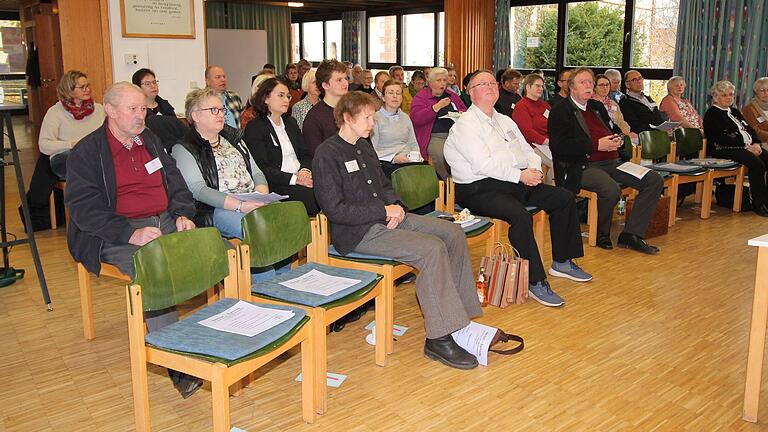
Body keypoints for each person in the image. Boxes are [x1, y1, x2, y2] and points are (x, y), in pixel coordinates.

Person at [313, 91, 483, 370]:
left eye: (372, 116)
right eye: (366, 117)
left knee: (451, 233)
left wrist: (396, 205)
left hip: (387, 217)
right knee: (431, 249)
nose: (372, 123)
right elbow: (335, 210)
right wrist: (382, 211)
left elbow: (384, 185)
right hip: (358, 233)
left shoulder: (364, 145)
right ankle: (438, 339)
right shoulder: (326, 154)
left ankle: (459, 318)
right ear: (346, 118)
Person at [64, 82, 200, 398]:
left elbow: (176, 182)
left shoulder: (149, 139)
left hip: (164, 220)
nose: (141, 116)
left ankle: (224, 340)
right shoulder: (87, 152)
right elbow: (85, 209)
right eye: (133, 109)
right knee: (155, 274)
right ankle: (179, 365)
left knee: (215, 253)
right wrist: (130, 233)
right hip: (116, 231)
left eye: (143, 109)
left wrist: (181, 213)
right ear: (110, 110)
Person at [444, 70, 592, 308]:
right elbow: (484, 164)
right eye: (483, 84)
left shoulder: (504, 120)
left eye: (493, 82)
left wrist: (534, 170)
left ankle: (563, 261)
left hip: (515, 181)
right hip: (478, 188)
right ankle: (535, 281)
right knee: (520, 216)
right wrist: (520, 175)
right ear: (471, 93)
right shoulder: (465, 126)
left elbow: (526, 149)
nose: (491, 87)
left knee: (563, 198)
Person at [549, 67, 664, 252]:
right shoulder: (561, 110)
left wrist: (617, 138)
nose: (588, 86)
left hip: (613, 163)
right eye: (583, 82)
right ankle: (602, 234)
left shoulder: (596, 107)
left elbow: (611, 129)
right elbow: (559, 145)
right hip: (582, 166)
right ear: (572, 87)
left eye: (590, 82)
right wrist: (595, 145)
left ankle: (631, 235)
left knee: (653, 180)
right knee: (610, 189)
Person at [172, 87, 270, 236]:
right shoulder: (184, 148)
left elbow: (256, 172)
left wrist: (261, 195)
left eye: (221, 109)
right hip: (216, 208)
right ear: (196, 116)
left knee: (286, 217)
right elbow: (199, 190)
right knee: (259, 229)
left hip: (251, 199)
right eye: (213, 110)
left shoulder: (234, 138)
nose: (221, 115)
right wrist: (240, 206)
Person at [243, 78, 319, 215]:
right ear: (266, 98)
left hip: (302, 177)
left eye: (288, 96)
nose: (286, 100)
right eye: (281, 95)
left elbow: (306, 154)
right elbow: (262, 167)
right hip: (278, 184)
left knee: (331, 188)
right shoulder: (255, 127)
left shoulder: (290, 123)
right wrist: (296, 179)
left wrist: (305, 170)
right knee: (310, 196)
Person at [704, 80, 768, 217]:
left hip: (746, 147)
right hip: (724, 148)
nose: (729, 98)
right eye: (725, 95)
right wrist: (746, 146)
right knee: (757, 165)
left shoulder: (734, 111)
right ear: (716, 97)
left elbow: (750, 130)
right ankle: (759, 204)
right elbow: (722, 138)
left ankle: (766, 200)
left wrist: (756, 143)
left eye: (731, 94)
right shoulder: (712, 114)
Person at [39, 70, 106, 179]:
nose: (87, 90)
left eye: (88, 86)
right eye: (82, 87)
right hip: (65, 156)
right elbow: (44, 145)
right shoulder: (55, 112)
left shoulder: (99, 109)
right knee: (83, 163)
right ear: (69, 90)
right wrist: (71, 144)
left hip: (93, 154)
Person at [410, 67, 467, 179]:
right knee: (441, 155)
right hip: (435, 136)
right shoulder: (421, 97)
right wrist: (436, 107)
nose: (442, 83)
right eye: (438, 80)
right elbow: (416, 118)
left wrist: (461, 113)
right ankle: (446, 180)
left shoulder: (452, 95)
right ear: (430, 83)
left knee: (466, 153)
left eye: (444, 80)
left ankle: (461, 179)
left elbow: (465, 110)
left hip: (456, 134)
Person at [371, 79, 422, 177]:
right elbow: (373, 150)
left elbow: (413, 143)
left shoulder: (405, 117)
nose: (395, 96)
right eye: (391, 93)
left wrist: (416, 156)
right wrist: (393, 158)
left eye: (398, 93)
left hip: (408, 160)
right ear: (383, 97)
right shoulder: (375, 118)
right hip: (387, 163)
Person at [511, 73, 553, 180]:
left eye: (542, 86)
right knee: (558, 163)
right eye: (537, 86)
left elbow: (555, 124)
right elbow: (526, 132)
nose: (541, 88)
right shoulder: (521, 106)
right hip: (532, 145)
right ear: (528, 87)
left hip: (550, 142)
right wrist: (546, 141)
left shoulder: (545, 105)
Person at [303, 59, 349, 157]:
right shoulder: (314, 117)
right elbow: (318, 155)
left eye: (346, 78)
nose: (345, 83)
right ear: (325, 85)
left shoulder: (353, 110)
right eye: (339, 80)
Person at [740, 77, 768, 144]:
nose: (766, 93)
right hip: (760, 143)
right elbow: (754, 131)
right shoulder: (749, 109)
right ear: (756, 92)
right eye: (762, 90)